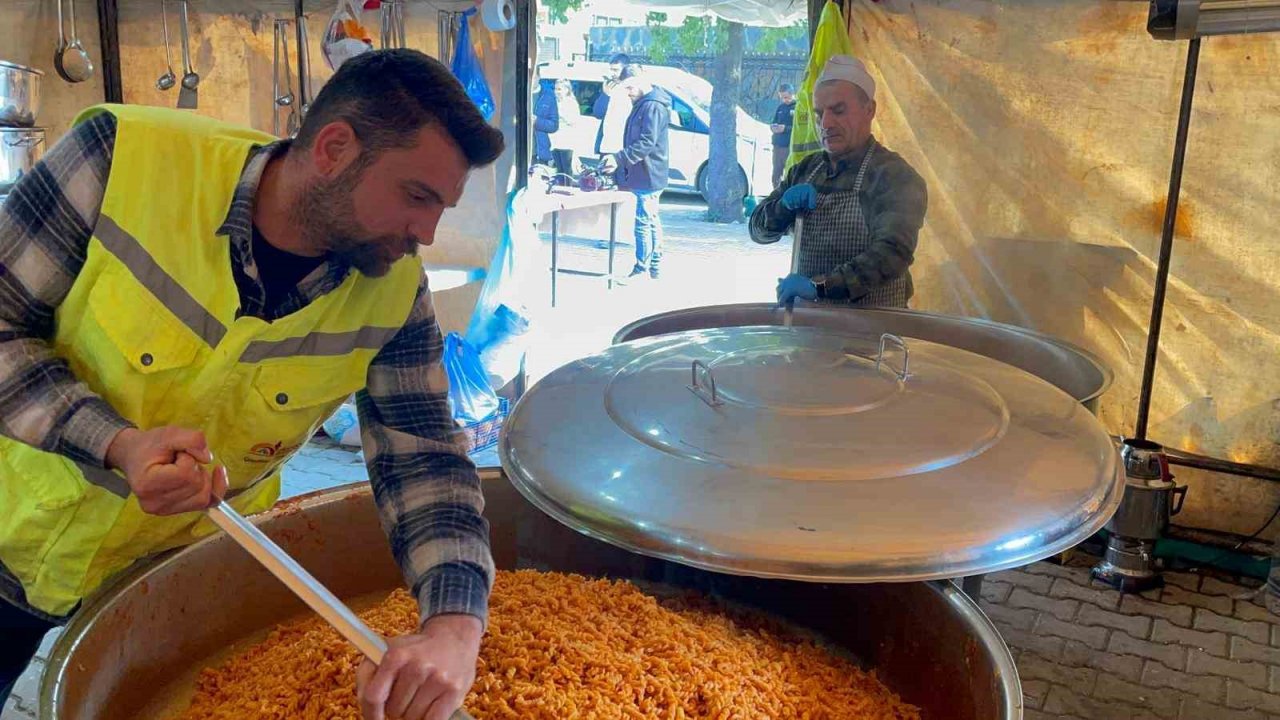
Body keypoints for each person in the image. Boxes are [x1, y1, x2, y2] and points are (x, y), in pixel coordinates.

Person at [0, 49, 503, 720]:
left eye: (441, 207)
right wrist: (116, 442)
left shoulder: (393, 294)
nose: (428, 234)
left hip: (174, 571)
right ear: (333, 148)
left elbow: (426, 461)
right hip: (13, 536)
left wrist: (454, 627)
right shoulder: (120, 161)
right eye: (417, 196)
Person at [749, 55, 927, 308]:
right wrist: (782, 207)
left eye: (838, 110)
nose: (826, 123)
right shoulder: (805, 170)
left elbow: (891, 255)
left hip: (874, 333)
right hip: (810, 327)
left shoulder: (894, 177)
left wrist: (821, 287)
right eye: (820, 114)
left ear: (870, 110)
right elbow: (758, 231)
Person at [600, 72, 671, 280]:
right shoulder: (647, 103)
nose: (628, 93)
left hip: (650, 172)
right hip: (646, 171)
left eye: (630, 88)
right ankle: (654, 265)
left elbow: (646, 142)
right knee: (650, 219)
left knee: (643, 221)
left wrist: (619, 159)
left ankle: (643, 267)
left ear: (640, 83)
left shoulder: (652, 106)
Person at [593, 54, 633, 156]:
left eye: (615, 70)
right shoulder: (610, 88)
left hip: (623, 148)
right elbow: (598, 113)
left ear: (626, 69)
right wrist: (606, 95)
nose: (612, 74)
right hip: (606, 146)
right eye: (611, 70)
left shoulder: (632, 91)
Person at [549, 78, 581, 183]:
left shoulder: (571, 103)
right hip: (555, 140)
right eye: (555, 89)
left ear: (566, 90)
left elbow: (573, 121)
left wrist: (561, 115)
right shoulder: (554, 102)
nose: (556, 92)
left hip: (567, 142)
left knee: (566, 169)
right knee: (559, 169)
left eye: (559, 89)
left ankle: (568, 189)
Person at [770, 83, 797, 189]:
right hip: (777, 145)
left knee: (789, 173)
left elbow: (799, 128)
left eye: (786, 97)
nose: (784, 100)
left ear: (792, 94)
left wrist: (785, 128)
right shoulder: (780, 107)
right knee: (776, 172)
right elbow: (774, 122)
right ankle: (775, 194)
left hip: (789, 146)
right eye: (782, 97)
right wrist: (773, 127)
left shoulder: (798, 107)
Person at [533, 69, 560, 168]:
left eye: (533, 76)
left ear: (539, 76)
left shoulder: (548, 96)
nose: (530, 79)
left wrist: (536, 121)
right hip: (519, 152)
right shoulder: (518, 94)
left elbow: (554, 125)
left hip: (540, 154)